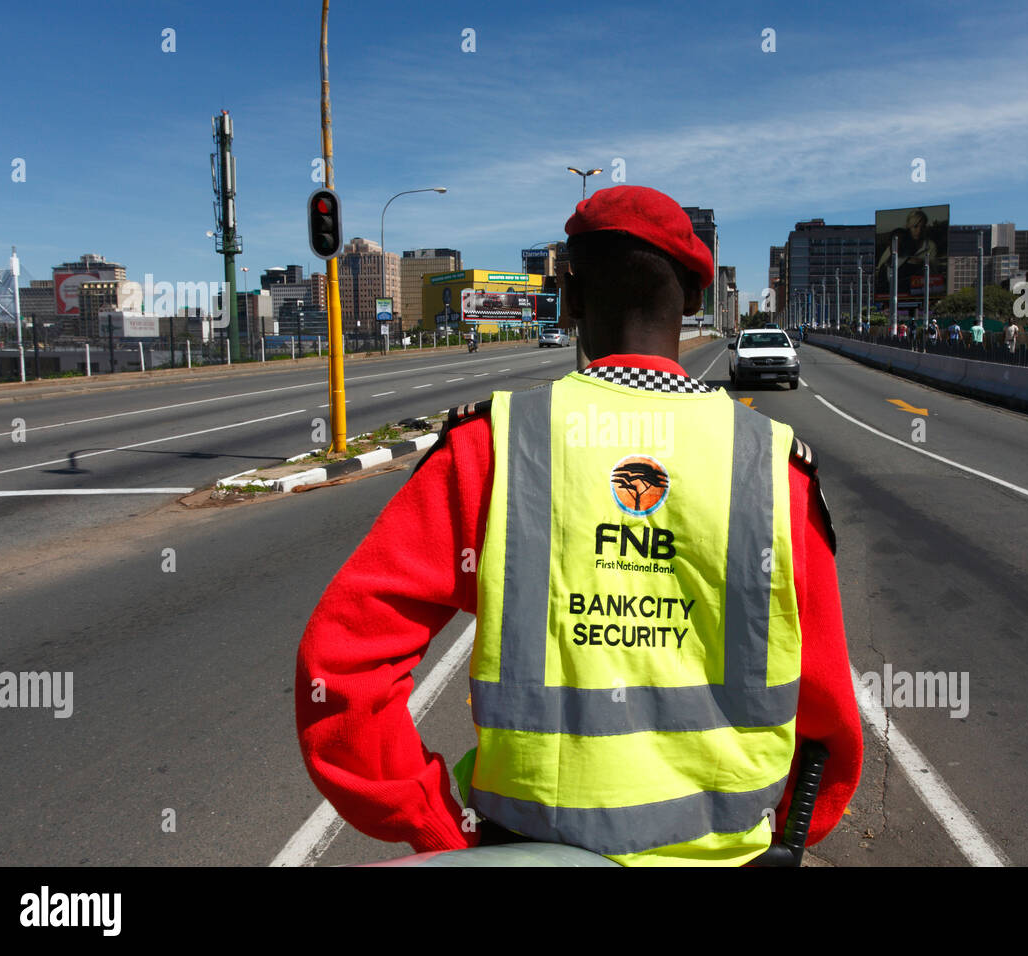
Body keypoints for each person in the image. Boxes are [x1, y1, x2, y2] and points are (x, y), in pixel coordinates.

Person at [295, 185, 863, 867]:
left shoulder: (495, 445)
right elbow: (827, 715)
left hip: (529, 852)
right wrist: (787, 838)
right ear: (691, 301)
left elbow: (341, 669)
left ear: (567, 297)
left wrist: (439, 828)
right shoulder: (773, 468)